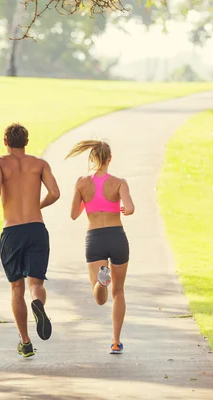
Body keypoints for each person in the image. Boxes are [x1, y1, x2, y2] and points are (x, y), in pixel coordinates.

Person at [0, 123, 60, 358]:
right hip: (37, 229)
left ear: (5, 142)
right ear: (26, 142)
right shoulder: (40, 164)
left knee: (17, 289)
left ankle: (25, 342)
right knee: (36, 285)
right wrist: (37, 206)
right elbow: (55, 193)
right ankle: (38, 303)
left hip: (13, 232)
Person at [65, 140, 135, 354]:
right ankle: (115, 341)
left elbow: (74, 214)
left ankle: (101, 281)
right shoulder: (119, 182)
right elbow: (130, 209)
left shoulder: (82, 183)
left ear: (93, 159)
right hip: (117, 237)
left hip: (95, 238)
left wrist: (88, 199)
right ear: (109, 159)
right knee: (119, 291)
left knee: (100, 297)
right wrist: (122, 207)